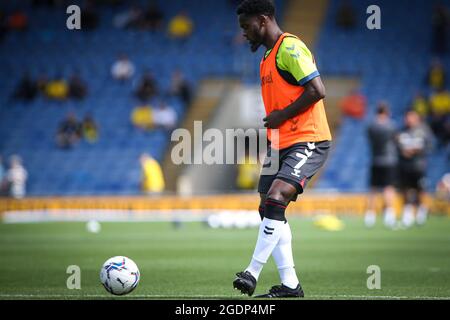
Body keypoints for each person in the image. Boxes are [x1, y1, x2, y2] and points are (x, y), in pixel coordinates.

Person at [233, 0, 332, 298]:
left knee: (276, 199)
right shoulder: (266, 58)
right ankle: (291, 285)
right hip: (281, 144)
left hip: (308, 139)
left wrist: (281, 116)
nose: (244, 34)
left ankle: (252, 272)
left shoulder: (289, 48)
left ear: (263, 20)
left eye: (246, 26)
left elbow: (318, 90)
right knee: (268, 208)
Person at [397, 110, 433, 228]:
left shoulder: (423, 130)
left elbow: (430, 146)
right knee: (406, 190)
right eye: (407, 117)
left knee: (420, 190)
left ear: (416, 117)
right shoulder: (402, 131)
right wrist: (403, 151)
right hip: (405, 166)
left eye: (411, 117)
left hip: (419, 165)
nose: (408, 119)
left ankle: (421, 212)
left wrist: (417, 151)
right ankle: (407, 214)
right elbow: (396, 146)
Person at [364, 102, 398, 228]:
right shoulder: (391, 125)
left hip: (375, 159)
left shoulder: (371, 126)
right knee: (389, 189)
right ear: (387, 112)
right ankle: (389, 216)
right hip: (389, 160)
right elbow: (396, 140)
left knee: (373, 189)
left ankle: (370, 217)